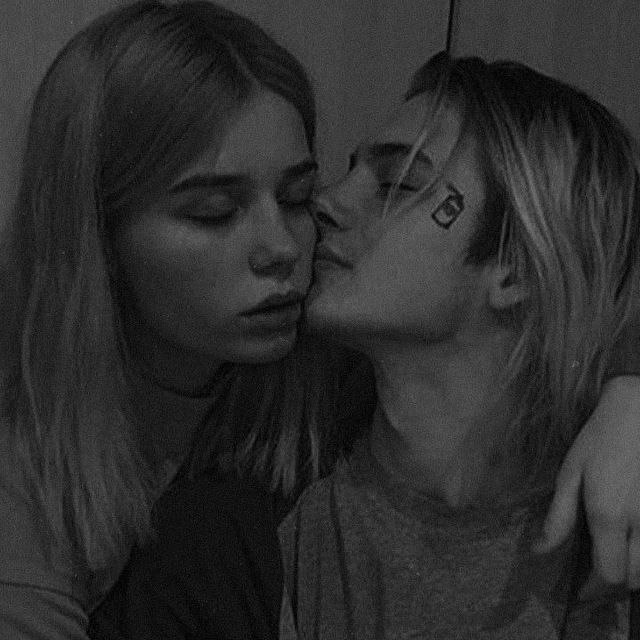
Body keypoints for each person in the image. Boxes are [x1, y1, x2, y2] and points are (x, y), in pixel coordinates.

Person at [0, 1, 639, 637]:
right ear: (96, 238)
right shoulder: (65, 506)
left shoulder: (317, 371)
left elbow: (585, 258)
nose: (302, 229)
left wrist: (628, 392)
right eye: (215, 211)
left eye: (297, 195)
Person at [279, 53, 640, 638]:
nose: (328, 201)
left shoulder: (613, 531)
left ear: (515, 268)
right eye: (349, 172)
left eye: (397, 184)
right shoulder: (279, 511)